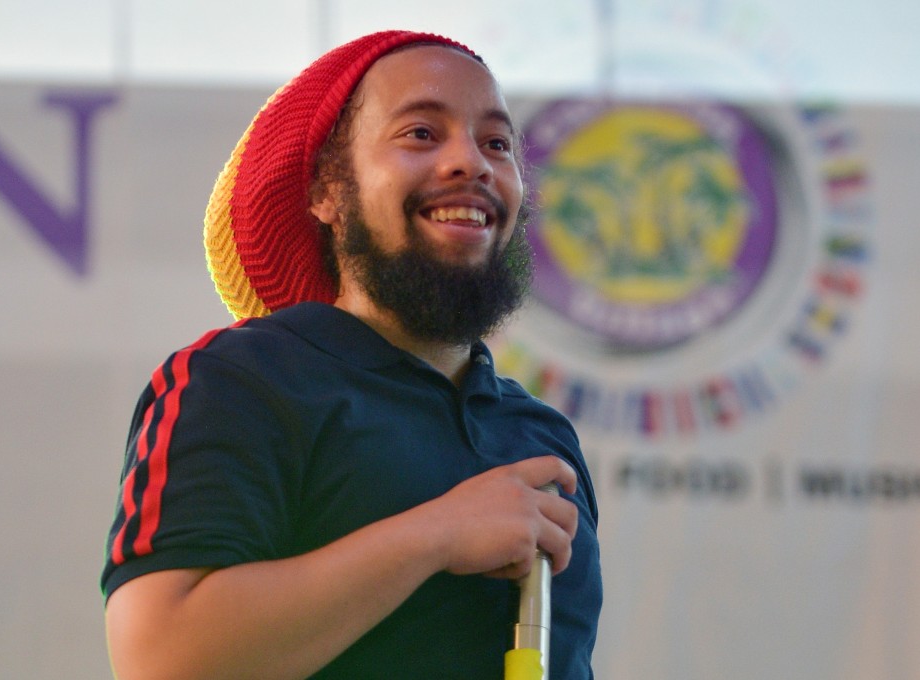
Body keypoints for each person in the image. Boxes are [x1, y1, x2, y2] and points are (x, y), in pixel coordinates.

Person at [101, 30, 602, 680]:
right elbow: (162, 658)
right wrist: (440, 534)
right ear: (327, 191)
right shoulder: (242, 380)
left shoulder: (541, 435)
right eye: (422, 133)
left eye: (497, 143)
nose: (471, 163)